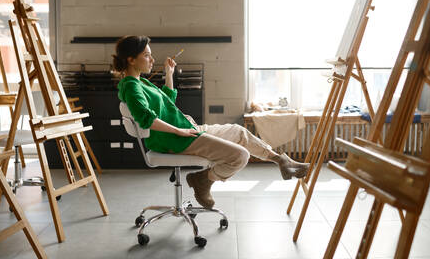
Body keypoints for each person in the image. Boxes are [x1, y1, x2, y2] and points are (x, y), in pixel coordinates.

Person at [113, 35, 310, 209]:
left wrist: (169, 75)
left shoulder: (141, 82)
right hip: (175, 139)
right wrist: (178, 132)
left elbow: (168, 102)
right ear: (131, 59)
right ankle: (202, 180)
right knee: (240, 156)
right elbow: (146, 119)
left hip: (186, 130)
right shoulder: (131, 86)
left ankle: (281, 160)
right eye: (147, 55)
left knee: (238, 132)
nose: (152, 59)